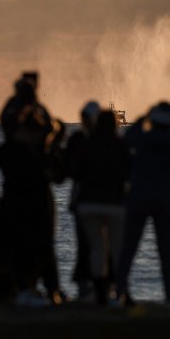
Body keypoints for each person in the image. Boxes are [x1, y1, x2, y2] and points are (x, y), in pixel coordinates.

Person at [115, 102, 170, 307]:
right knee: (165, 252)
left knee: (128, 249)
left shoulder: (142, 140)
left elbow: (128, 136)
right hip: (164, 203)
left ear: (152, 122)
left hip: (137, 201)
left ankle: (118, 293)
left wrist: (146, 113)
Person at [0, 75, 66, 306]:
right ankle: (50, 289)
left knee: (18, 246)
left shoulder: (8, 149)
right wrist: (35, 104)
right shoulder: (40, 150)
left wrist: (18, 101)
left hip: (15, 200)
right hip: (37, 200)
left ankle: (22, 287)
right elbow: (52, 128)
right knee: (43, 245)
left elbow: (5, 120)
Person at [72, 110, 130, 305]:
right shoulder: (121, 145)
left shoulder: (86, 144)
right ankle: (121, 292)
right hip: (115, 204)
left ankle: (99, 294)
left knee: (97, 248)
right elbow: (130, 173)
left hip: (88, 204)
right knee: (118, 249)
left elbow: (75, 172)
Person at [64, 101, 100, 301]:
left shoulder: (77, 139)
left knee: (84, 245)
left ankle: (85, 286)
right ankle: (101, 287)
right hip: (105, 203)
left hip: (83, 203)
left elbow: (68, 170)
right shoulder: (110, 140)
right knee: (100, 247)